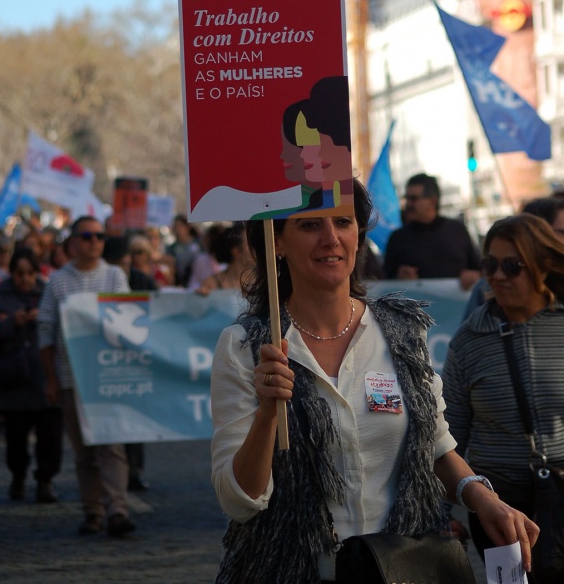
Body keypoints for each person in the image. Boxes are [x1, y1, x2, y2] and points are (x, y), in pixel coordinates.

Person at [210, 179, 538, 583]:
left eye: (344, 222)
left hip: (396, 568)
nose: (331, 239)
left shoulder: (401, 332)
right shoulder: (245, 347)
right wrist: (267, 414)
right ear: (277, 242)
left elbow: (435, 446)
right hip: (292, 572)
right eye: (310, 225)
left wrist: (482, 497)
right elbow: (239, 502)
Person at [442, 213, 564, 582]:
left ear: (543, 266)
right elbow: (446, 437)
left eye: (512, 266)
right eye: (489, 264)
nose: (496, 276)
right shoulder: (468, 341)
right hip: (499, 510)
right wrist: (440, 512)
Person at [38, 216, 136, 537]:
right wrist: (51, 378)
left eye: (99, 236)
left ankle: (117, 510)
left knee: (112, 445)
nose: (94, 241)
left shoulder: (114, 275)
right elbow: (46, 331)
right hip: (72, 378)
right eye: (87, 235)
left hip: (108, 375)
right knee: (84, 451)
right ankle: (92, 511)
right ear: (74, 241)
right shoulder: (57, 281)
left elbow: (126, 318)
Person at [0, 248, 63, 503]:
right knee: (16, 438)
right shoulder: (1, 294)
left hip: (44, 373)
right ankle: (18, 476)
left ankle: (45, 480)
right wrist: (11, 323)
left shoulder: (48, 292)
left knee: (50, 435)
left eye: (30, 274)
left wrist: (43, 319)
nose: (25, 279)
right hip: (14, 376)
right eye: (20, 274)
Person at [103, 234, 155, 492]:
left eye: (124, 263)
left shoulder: (142, 281)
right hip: (107, 363)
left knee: (135, 421)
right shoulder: (103, 282)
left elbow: (166, 310)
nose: (121, 270)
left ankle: (134, 471)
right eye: (115, 264)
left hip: (136, 362)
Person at [383, 173, 482, 290]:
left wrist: (472, 275)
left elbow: (479, 270)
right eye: (407, 198)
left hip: (457, 306)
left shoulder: (457, 230)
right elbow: (383, 281)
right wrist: (398, 278)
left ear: (432, 201)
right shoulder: (398, 238)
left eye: (414, 199)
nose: (408, 204)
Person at [197, 223, 253, 294]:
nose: (256, 249)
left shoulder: (263, 283)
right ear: (236, 251)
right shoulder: (211, 285)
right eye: (250, 244)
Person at [166, 215, 202, 287]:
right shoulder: (171, 248)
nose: (177, 230)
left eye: (179, 227)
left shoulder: (198, 245)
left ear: (187, 228)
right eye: (175, 227)